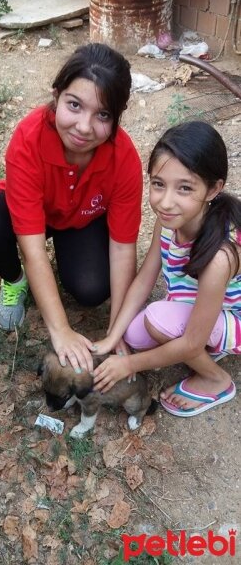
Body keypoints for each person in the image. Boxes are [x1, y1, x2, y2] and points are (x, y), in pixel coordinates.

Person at [0, 43, 143, 372]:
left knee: (91, 289)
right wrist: (61, 331)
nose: (84, 127)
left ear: (117, 116)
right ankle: (15, 280)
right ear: (56, 95)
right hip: (36, 213)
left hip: (82, 219)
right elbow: (33, 249)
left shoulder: (124, 158)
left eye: (102, 114)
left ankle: (69, 260)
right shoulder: (29, 138)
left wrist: (119, 330)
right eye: (74, 105)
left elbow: (122, 248)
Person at [93, 120, 241, 417]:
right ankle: (208, 340)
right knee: (135, 334)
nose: (166, 201)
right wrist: (113, 334)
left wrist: (128, 365)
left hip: (233, 316)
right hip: (196, 305)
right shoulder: (167, 220)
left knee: (159, 321)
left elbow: (190, 343)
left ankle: (216, 380)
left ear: (213, 189)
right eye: (158, 184)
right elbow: (145, 278)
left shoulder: (220, 257)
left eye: (184, 188)